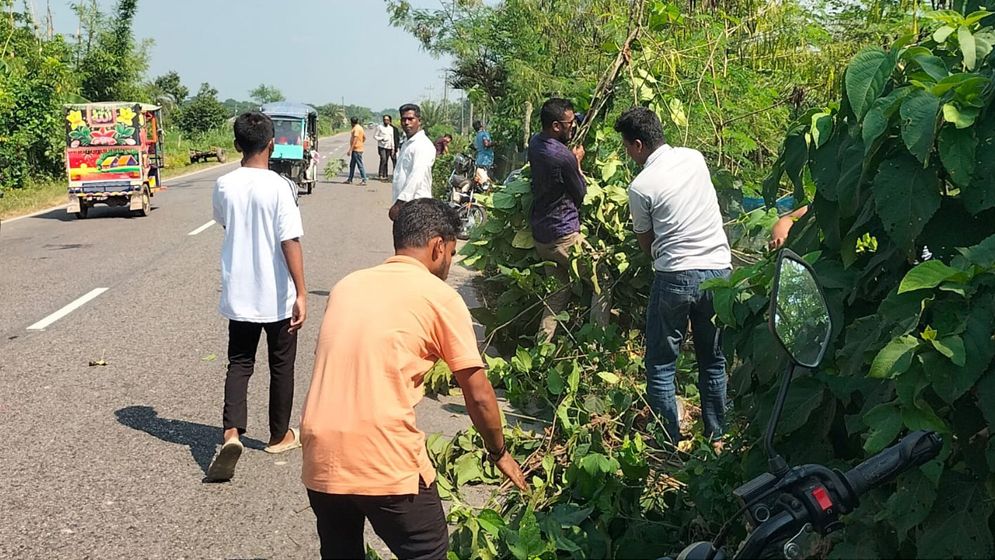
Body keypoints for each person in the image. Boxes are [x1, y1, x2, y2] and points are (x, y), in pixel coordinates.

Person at [300, 198, 527, 559]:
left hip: (320, 452)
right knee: (429, 551)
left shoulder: (348, 285)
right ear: (439, 246)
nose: (449, 264)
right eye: (451, 253)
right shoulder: (439, 296)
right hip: (383, 454)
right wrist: (499, 452)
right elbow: (479, 393)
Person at [614, 106, 731, 449]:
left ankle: (667, 442)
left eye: (626, 147)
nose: (627, 153)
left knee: (662, 365)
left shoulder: (641, 186)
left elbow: (646, 243)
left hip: (676, 275)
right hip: (719, 272)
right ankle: (717, 439)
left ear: (637, 145)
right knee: (713, 361)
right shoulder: (695, 158)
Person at [207, 111, 307, 482]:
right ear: (272, 144)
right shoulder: (281, 187)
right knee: (281, 365)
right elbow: (289, 241)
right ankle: (279, 435)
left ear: (237, 146)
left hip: (240, 293)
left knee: (240, 362)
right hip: (277, 294)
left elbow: (225, 223)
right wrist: (301, 292)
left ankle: (232, 432)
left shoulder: (223, 185)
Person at [528, 98, 610, 343]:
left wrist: (594, 108)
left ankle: (540, 351)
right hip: (564, 235)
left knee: (557, 294)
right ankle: (598, 344)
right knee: (602, 280)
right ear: (555, 126)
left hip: (542, 236)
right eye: (569, 124)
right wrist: (577, 164)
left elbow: (574, 122)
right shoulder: (562, 157)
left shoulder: (536, 142)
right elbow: (581, 193)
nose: (573, 127)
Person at [389, 103, 436, 221]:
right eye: (404, 119)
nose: (407, 123)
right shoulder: (408, 143)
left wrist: (400, 202)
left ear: (419, 121)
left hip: (416, 206)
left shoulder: (423, 145)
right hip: (406, 207)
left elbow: (417, 175)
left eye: (411, 119)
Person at [345, 117, 367, 186]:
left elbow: (355, 139)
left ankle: (364, 179)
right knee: (352, 165)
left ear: (351, 122)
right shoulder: (360, 127)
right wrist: (361, 143)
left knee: (360, 165)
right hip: (357, 148)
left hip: (357, 149)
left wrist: (350, 149)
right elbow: (364, 138)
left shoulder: (356, 129)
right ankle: (350, 179)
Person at [374, 115, 396, 181]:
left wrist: (393, 148)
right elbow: (375, 136)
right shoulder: (380, 127)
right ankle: (380, 174)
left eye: (387, 120)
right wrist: (381, 138)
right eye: (385, 120)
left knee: (386, 160)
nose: (386, 121)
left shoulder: (391, 128)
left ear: (389, 121)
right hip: (382, 146)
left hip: (389, 146)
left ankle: (385, 174)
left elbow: (392, 138)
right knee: (383, 159)